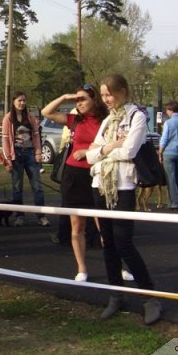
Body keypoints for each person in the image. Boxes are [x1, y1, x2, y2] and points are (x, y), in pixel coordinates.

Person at [86, 73, 162, 324]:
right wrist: (109, 148)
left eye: (110, 94)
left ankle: (149, 297)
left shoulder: (137, 116)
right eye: (103, 94)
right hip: (100, 185)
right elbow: (89, 156)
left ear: (123, 91)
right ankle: (116, 295)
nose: (106, 99)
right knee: (108, 243)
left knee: (124, 244)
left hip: (123, 186)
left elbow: (130, 150)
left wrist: (103, 152)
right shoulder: (107, 121)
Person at [41, 85, 108, 281]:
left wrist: (88, 152)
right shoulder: (75, 120)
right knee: (77, 226)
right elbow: (47, 112)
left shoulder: (106, 120)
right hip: (73, 176)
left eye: (83, 99)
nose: (78, 103)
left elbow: (111, 144)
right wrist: (64, 96)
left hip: (97, 175)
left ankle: (117, 265)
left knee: (104, 225)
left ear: (95, 100)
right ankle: (82, 269)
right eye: (76, 100)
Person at [1, 91, 50, 227]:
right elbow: (5, 140)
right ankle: (19, 216)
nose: (22, 103)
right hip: (16, 155)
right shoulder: (8, 119)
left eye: (24, 100)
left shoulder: (30, 117)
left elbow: (36, 136)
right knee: (17, 187)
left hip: (30, 154)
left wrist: (38, 153)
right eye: (19, 101)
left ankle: (41, 216)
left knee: (37, 186)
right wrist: (8, 159)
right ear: (13, 102)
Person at [159, 100, 178, 210]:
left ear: (171, 110)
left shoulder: (168, 123)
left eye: (167, 110)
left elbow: (164, 139)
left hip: (169, 153)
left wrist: (160, 152)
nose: (166, 112)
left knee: (170, 178)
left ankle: (174, 203)